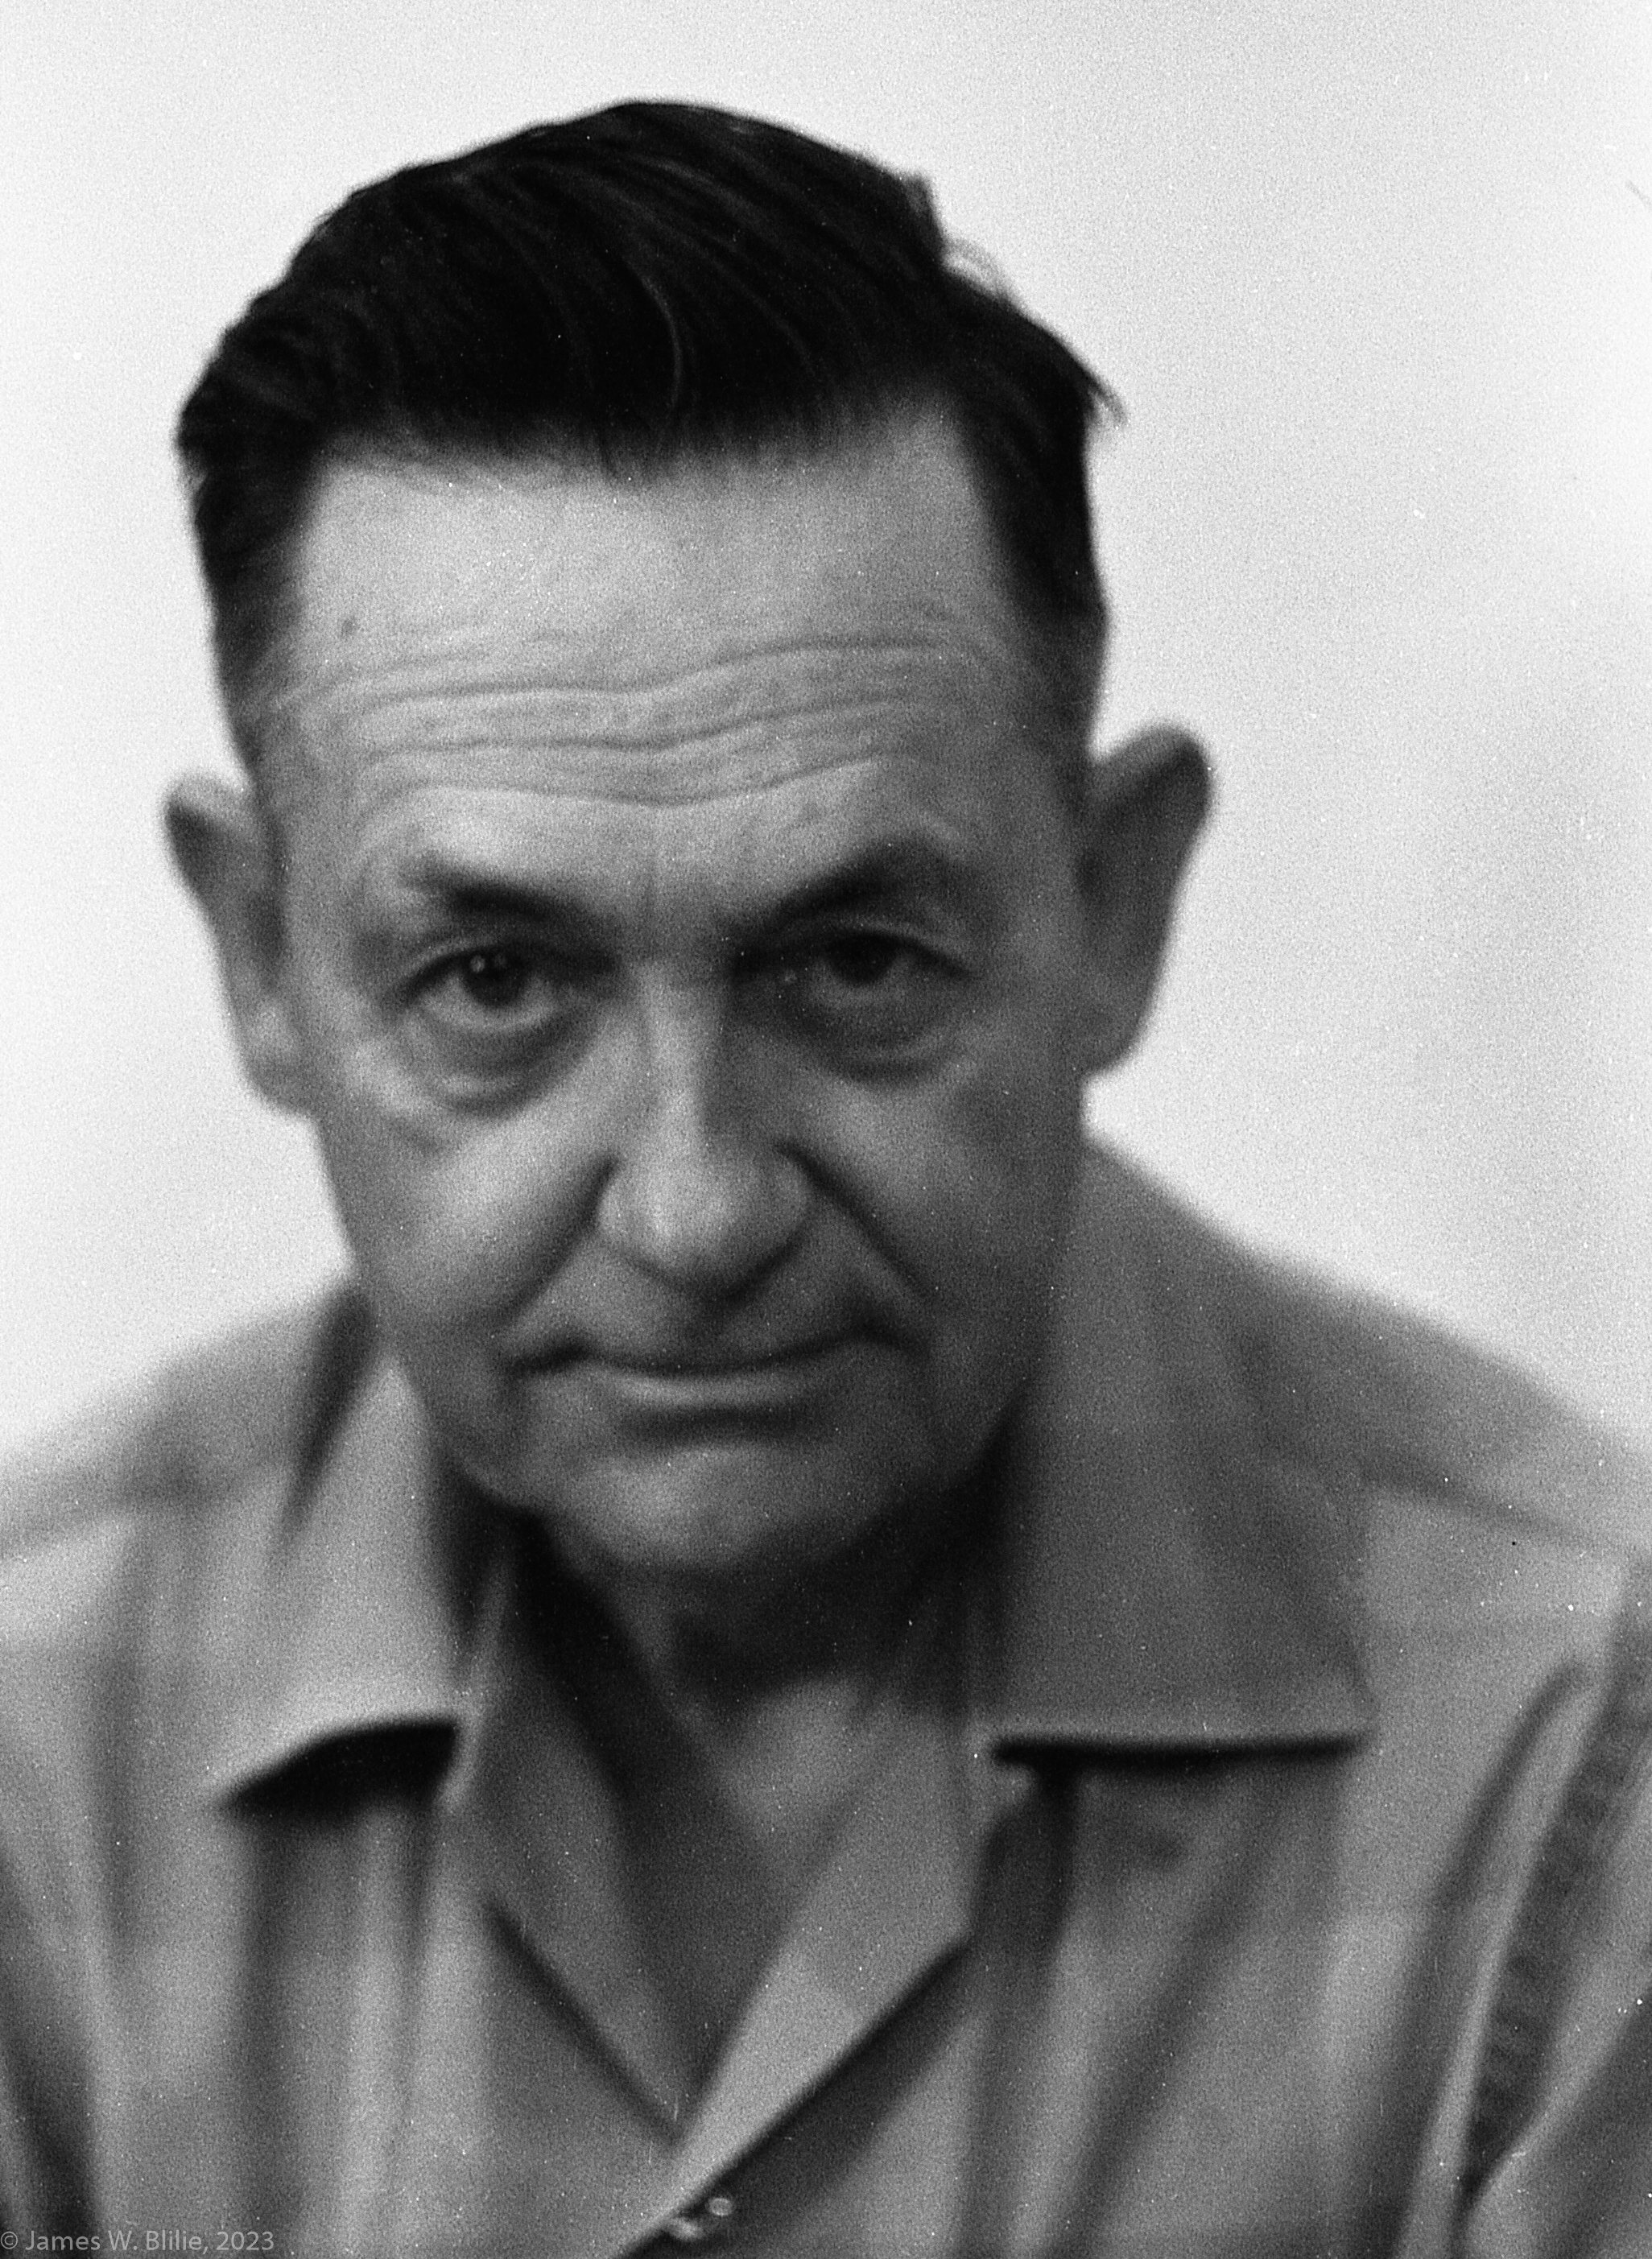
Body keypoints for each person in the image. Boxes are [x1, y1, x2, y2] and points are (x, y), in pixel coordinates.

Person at [2, 101, 1649, 2259]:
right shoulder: (30, 1742)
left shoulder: (1576, 1754)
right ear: (259, 957)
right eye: (496, 982)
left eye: (853, 963)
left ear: (1109, 906)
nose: (695, 1212)